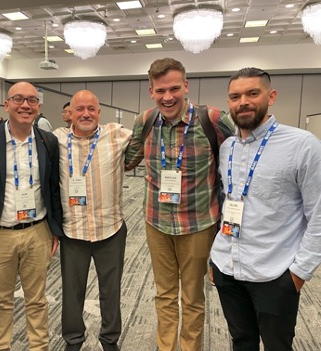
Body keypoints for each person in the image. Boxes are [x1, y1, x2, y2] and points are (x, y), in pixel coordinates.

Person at [125, 58, 234, 351]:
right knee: (164, 293)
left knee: (192, 296)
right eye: (160, 90)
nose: (168, 97)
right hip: (156, 222)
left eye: (174, 88)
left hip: (198, 223)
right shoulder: (145, 121)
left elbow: (238, 158)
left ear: (186, 86)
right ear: (151, 91)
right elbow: (126, 160)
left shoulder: (211, 119)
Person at [210, 67, 321, 350]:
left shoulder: (302, 145)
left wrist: (299, 272)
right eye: (235, 96)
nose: (243, 101)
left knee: (276, 345)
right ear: (229, 103)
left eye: (252, 93)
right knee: (242, 341)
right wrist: (216, 260)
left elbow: (318, 213)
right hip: (228, 267)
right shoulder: (228, 148)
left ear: (270, 96)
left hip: (275, 272)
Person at [0, 82, 64, 351]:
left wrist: (55, 230)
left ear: (38, 107)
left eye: (32, 101)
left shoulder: (48, 141)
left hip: (37, 231)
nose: (25, 105)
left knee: (37, 299)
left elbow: (52, 187)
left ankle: (39, 347)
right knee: (0, 300)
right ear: (7, 104)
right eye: (18, 100)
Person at [53, 90, 131, 351]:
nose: (86, 114)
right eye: (80, 109)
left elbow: (150, 134)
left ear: (99, 112)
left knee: (111, 291)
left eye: (91, 109)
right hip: (72, 231)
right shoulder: (56, 140)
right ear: (70, 114)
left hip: (110, 228)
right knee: (72, 292)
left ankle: (110, 340)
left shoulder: (118, 135)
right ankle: (73, 340)